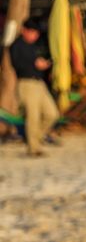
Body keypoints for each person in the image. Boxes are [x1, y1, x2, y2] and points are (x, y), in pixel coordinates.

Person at [7, 21, 60, 157]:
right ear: (24, 30)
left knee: (52, 114)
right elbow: (16, 64)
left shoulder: (34, 46)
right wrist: (35, 63)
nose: (34, 36)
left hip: (39, 83)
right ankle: (33, 148)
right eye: (32, 32)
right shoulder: (16, 45)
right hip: (26, 83)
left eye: (36, 33)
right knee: (33, 116)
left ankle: (35, 138)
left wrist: (45, 64)